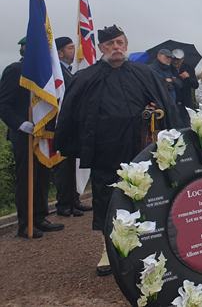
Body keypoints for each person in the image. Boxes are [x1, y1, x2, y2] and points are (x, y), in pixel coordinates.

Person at [54, 25, 179, 276]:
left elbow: (167, 106)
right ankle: (109, 250)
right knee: (107, 200)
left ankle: (148, 248)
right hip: (105, 152)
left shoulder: (145, 73)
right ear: (101, 48)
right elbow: (72, 114)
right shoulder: (86, 77)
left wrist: (158, 115)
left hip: (141, 149)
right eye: (110, 45)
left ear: (126, 44)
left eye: (120, 43)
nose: (116, 48)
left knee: (146, 197)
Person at [0, 37, 65, 238]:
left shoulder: (46, 74)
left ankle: (40, 217)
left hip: (43, 132)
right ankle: (25, 223)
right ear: (25, 49)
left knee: (43, 178)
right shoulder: (14, 71)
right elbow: (4, 105)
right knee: (27, 179)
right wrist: (21, 124)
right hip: (23, 135)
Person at [53, 36, 91, 217]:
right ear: (59, 52)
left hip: (74, 125)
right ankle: (63, 204)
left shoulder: (68, 71)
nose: (74, 51)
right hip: (61, 124)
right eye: (70, 48)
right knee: (63, 168)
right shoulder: (57, 72)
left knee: (72, 167)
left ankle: (73, 200)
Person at [171, 48, 198, 128]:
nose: (176, 61)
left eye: (178, 59)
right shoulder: (168, 69)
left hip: (186, 103)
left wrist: (188, 77)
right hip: (173, 104)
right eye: (174, 59)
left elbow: (195, 85)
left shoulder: (189, 68)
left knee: (187, 127)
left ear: (183, 59)